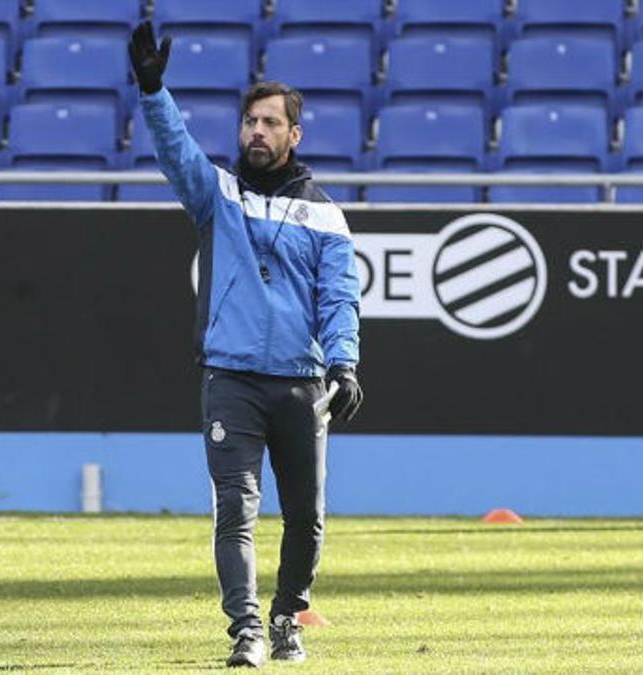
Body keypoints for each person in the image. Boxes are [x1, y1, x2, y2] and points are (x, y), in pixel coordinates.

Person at [127, 22, 364, 668]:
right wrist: (154, 91)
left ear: (295, 135)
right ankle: (247, 629)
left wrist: (343, 363)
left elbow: (340, 297)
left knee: (307, 520)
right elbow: (177, 153)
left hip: (301, 382)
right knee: (235, 509)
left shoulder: (326, 216)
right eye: (249, 122)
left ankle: (288, 615)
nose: (256, 131)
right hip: (230, 379)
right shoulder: (217, 197)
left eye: (270, 123)